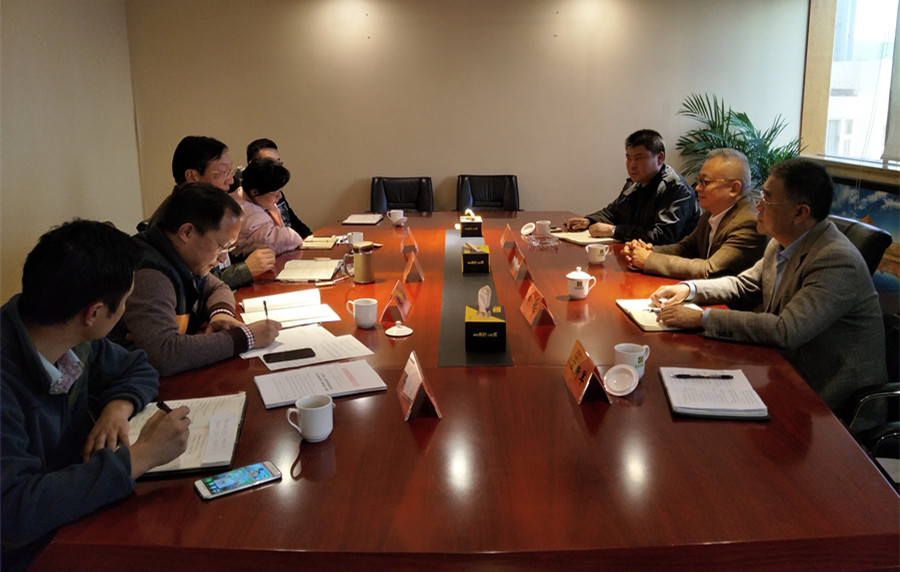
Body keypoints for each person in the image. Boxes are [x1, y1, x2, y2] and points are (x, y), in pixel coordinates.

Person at [1, 220, 191, 571]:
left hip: (73, 518)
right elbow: (14, 511)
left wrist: (118, 407)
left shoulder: (68, 335)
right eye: (126, 302)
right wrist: (142, 456)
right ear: (94, 313)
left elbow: (138, 367)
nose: (125, 311)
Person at [650, 158, 887, 423]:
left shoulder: (835, 259)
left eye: (767, 199)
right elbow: (742, 284)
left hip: (830, 402)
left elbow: (787, 330)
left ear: (800, 213)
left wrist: (702, 318)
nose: (758, 206)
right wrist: (689, 289)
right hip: (783, 373)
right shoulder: (782, 242)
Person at [110, 183, 281, 376]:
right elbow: (165, 354)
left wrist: (221, 314)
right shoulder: (149, 275)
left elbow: (217, 288)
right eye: (222, 246)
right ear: (187, 233)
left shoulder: (182, 258)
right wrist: (246, 337)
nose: (223, 258)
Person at [622, 148, 768, 279]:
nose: (697, 188)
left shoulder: (748, 223)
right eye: (699, 180)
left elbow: (710, 269)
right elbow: (685, 249)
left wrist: (648, 259)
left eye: (705, 182)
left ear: (734, 189)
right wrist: (647, 250)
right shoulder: (711, 214)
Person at [166, 136, 276, 289]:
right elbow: (194, 285)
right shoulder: (176, 222)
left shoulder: (211, 209)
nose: (230, 181)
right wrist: (245, 270)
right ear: (192, 176)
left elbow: (223, 263)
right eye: (223, 173)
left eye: (230, 172)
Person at [566, 129, 699, 245]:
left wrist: (614, 231)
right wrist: (589, 221)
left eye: (638, 158)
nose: (632, 165)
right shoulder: (634, 183)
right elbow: (612, 212)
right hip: (636, 253)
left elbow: (663, 236)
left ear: (659, 158)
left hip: (670, 261)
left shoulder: (677, 189)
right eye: (628, 158)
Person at [233, 158, 304, 256]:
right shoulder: (247, 212)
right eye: (276, 193)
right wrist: (294, 237)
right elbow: (279, 240)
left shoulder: (244, 195)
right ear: (255, 192)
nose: (280, 196)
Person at [246, 138, 313, 238]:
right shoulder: (249, 199)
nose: (277, 168)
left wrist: (312, 239)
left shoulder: (276, 192)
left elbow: (294, 221)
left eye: (278, 163)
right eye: (270, 163)